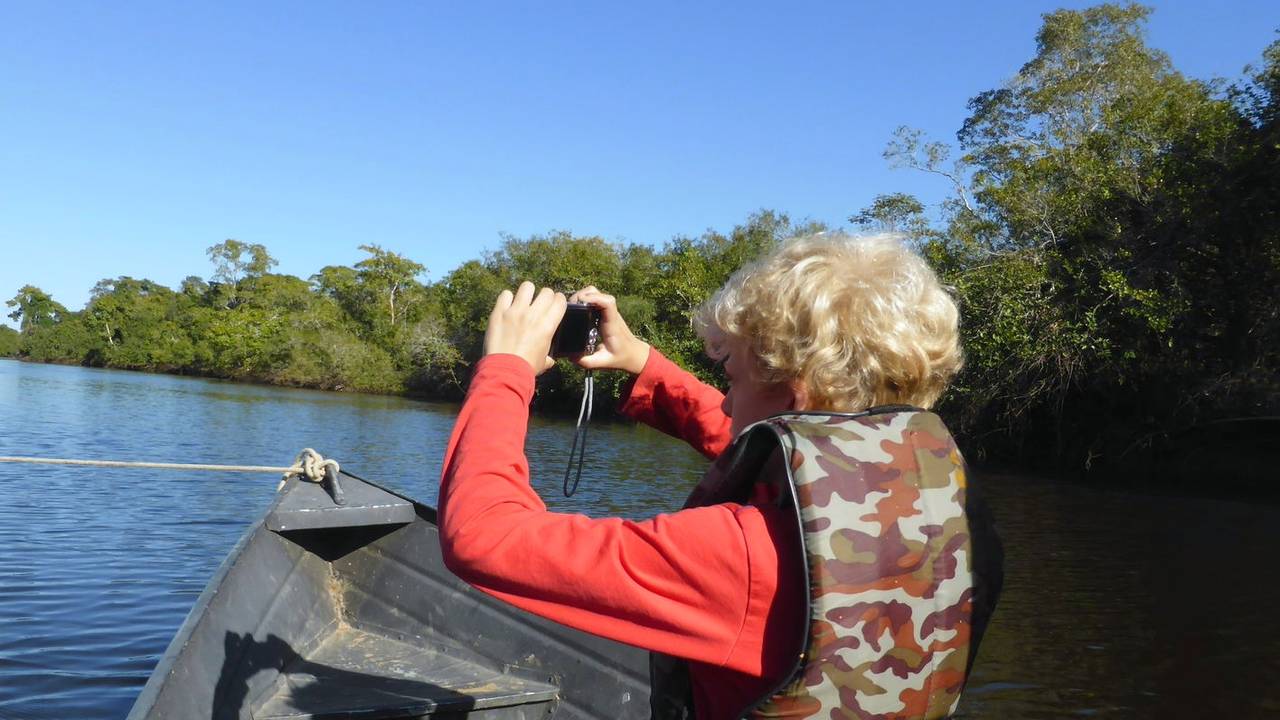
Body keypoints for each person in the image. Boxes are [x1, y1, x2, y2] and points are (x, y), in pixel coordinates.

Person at [439, 233, 1002, 719]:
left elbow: (484, 536)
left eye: (731, 374)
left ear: (794, 395)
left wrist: (506, 370)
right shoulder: (946, 509)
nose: (726, 401)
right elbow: (777, 451)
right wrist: (641, 362)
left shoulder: (744, 558)